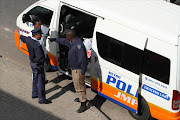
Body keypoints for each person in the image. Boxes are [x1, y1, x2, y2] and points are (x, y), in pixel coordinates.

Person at [49, 30, 88, 113]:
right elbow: (64, 41)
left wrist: (83, 73)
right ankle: (81, 98)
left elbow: (83, 61)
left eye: (66, 36)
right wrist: (55, 39)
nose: (66, 37)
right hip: (75, 68)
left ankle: (83, 104)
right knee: (80, 85)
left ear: (70, 36)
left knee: (79, 86)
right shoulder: (73, 42)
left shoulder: (78, 46)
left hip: (78, 70)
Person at [20, 27, 52, 104]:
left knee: (35, 79)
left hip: (32, 62)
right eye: (40, 35)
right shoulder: (37, 45)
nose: (41, 36)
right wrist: (46, 61)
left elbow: (21, 37)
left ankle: (34, 94)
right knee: (40, 82)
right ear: (36, 35)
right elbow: (40, 57)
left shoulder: (28, 40)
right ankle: (41, 99)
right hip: (38, 65)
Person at [31, 17, 50, 83]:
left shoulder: (42, 29)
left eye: (40, 24)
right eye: (38, 25)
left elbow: (48, 33)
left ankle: (44, 80)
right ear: (34, 25)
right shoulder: (32, 35)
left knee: (43, 69)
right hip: (37, 57)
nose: (40, 26)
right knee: (36, 72)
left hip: (42, 54)